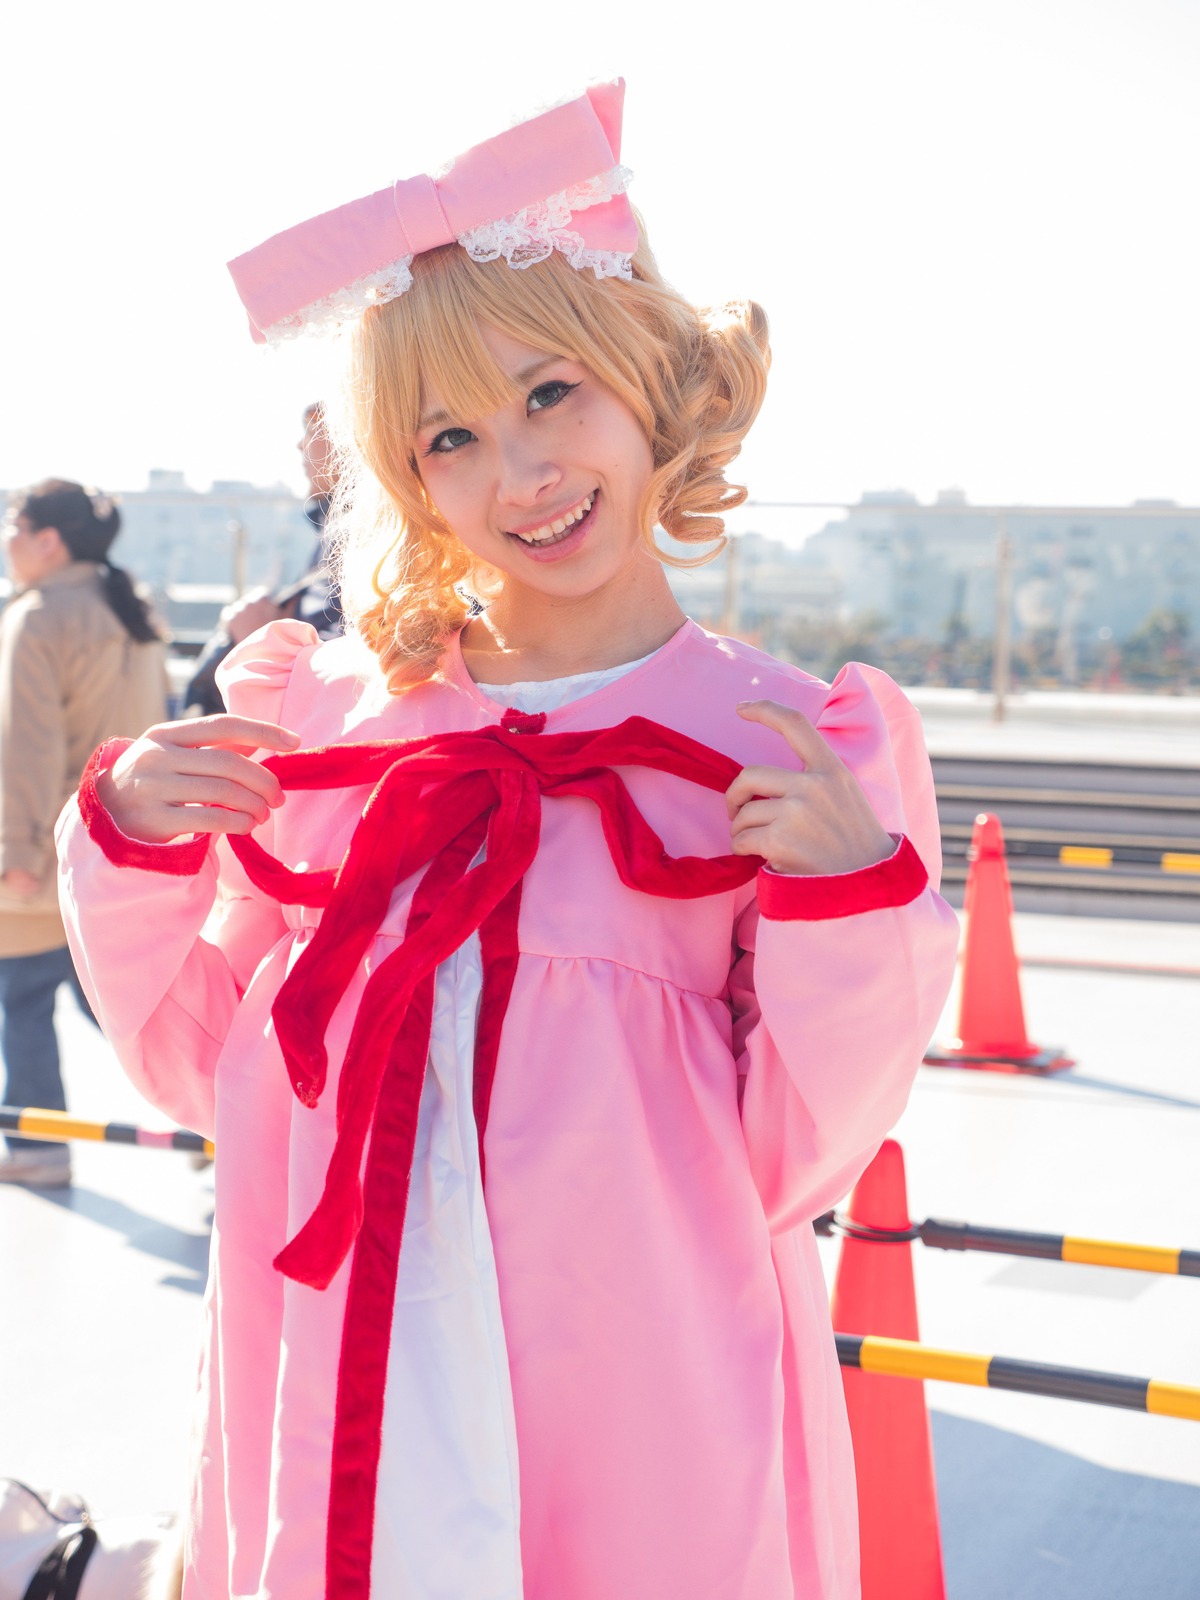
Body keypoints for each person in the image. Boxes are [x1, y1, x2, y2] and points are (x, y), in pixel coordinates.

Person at [56, 82, 959, 1599]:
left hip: (641, 1395)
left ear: (645, 383)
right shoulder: (328, 714)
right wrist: (138, 849)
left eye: (554, 394)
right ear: (409, 485)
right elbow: (205, 1064)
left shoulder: (790, 742)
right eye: (452, 438)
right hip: (349, 1375)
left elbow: (801, 1150)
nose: (521, 472)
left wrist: (840, 897)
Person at [0, 481, 167, 1189]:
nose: (7, 540)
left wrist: (15, 855)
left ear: (47, 540)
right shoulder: (132, 610)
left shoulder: (40, 617)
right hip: (124, 844)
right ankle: (232, 1120)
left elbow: (24, 749)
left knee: (26, 997)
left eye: (15, 525)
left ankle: (37, 1147)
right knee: (126, 1001)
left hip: (49, 848)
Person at [181, 403, 342, 717]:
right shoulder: (335, 533)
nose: (300, 444)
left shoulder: (360, 541)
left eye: (311, 429)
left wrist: (258, 639)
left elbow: (350, 680)